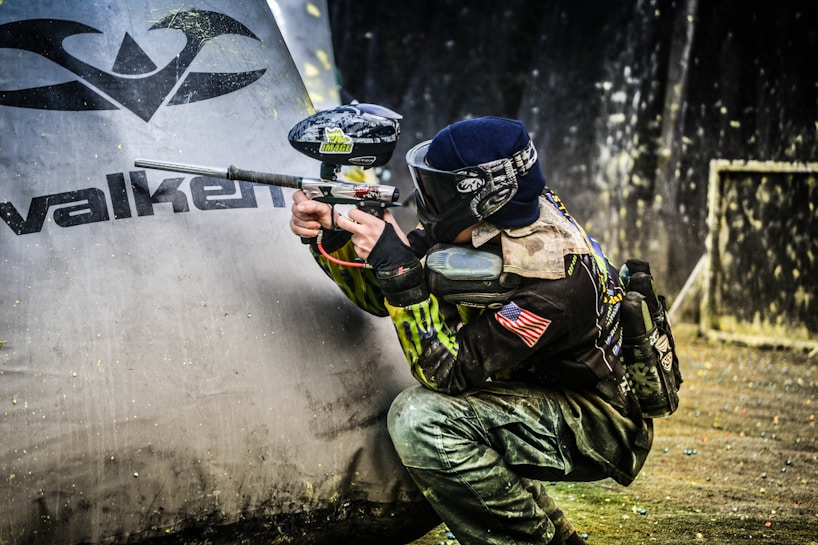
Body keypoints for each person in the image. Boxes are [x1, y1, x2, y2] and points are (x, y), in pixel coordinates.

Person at [289, 116, 653, 545]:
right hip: (540, 389)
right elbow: (380, 296)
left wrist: (399, 268)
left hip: (601, 419)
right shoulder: (497, 219)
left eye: (437, 195)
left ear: (483, 202)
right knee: (466, 414)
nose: (424, 204)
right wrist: (335, 236)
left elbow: (444, 372)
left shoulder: (555, 282)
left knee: (424, 421)